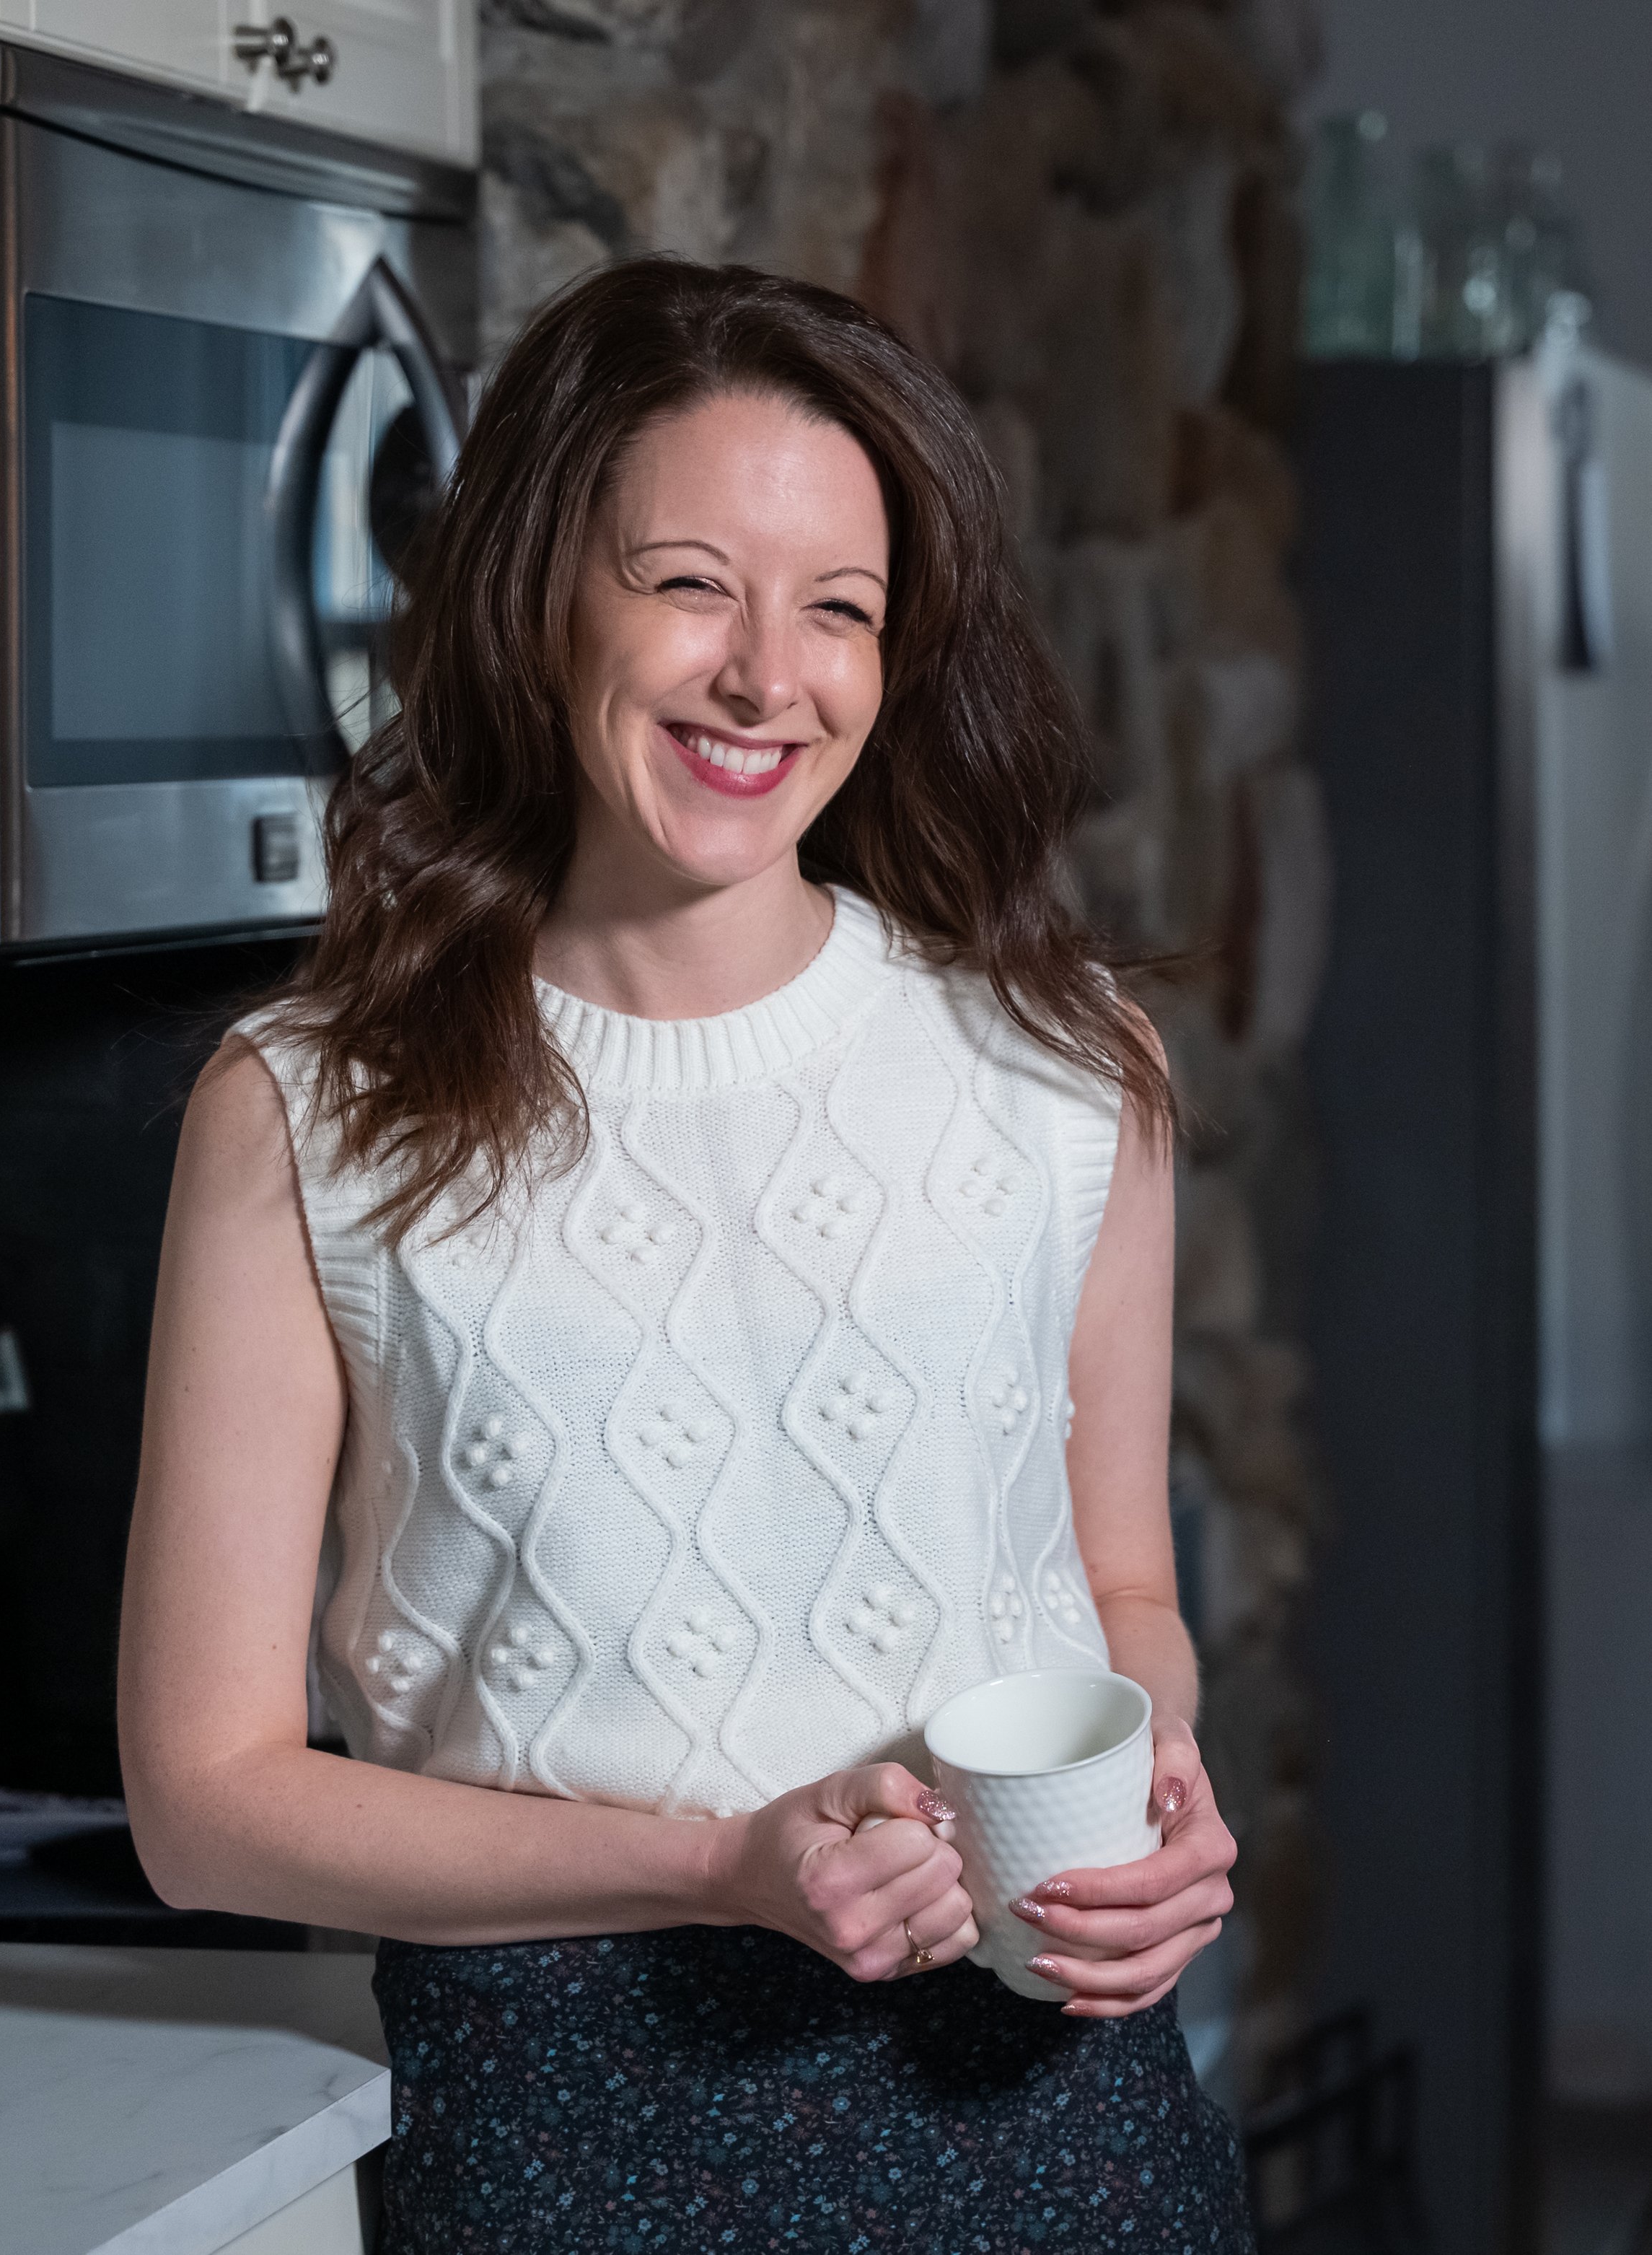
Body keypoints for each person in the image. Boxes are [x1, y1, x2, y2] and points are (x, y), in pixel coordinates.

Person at [119, 257, 1251, 2252]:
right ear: (541, 592)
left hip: (1053, 2106)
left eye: (840, 610)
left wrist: (1151, 1785)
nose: (765, 676)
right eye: (689, 583)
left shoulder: (1068, 1068)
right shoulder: (306, 1111)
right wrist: (720, 1864)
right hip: (565, 2122)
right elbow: (203, 1801)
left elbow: (1125, 1589)